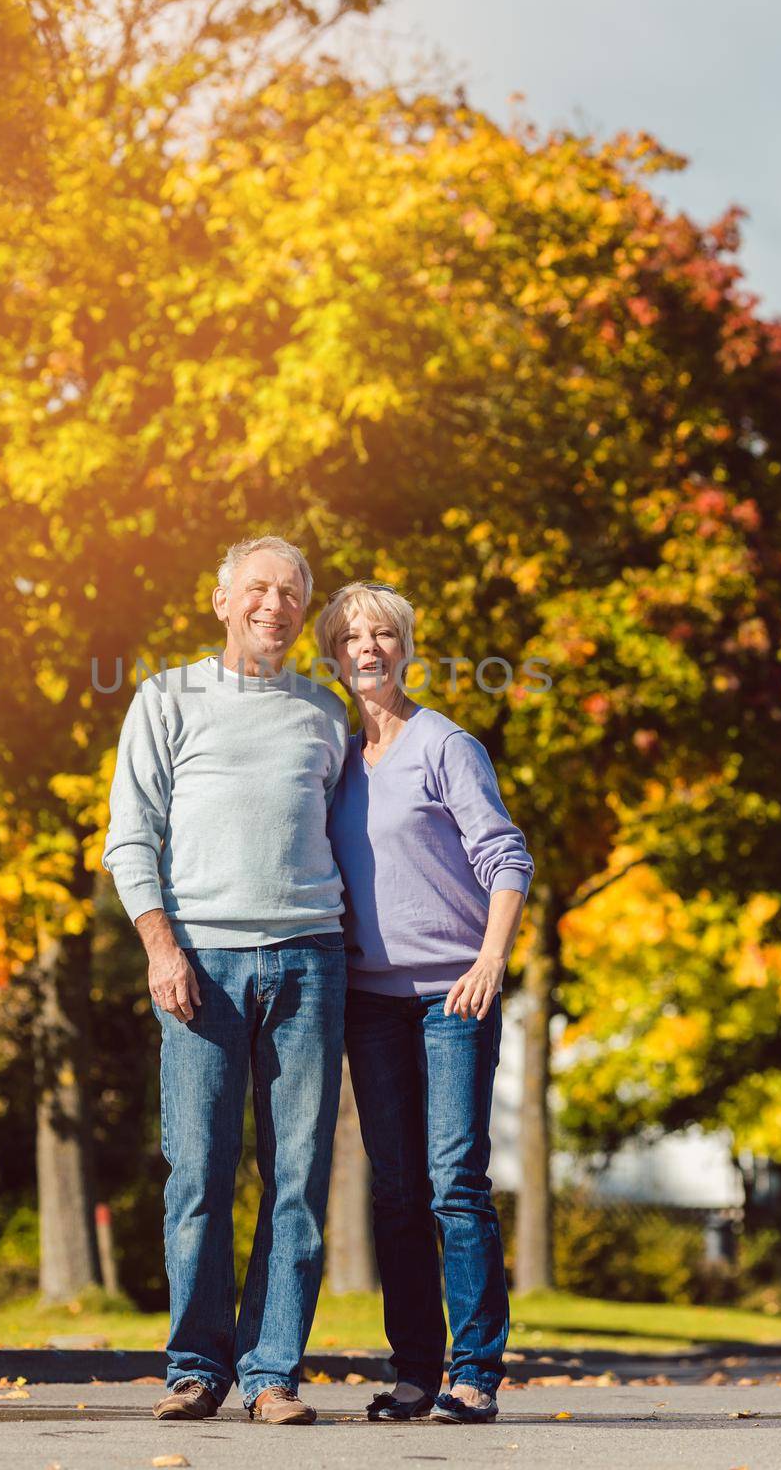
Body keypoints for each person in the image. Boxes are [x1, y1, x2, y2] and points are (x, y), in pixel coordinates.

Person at [102, 535, 350, 1425]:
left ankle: (272, 1370)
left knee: (298, 1172)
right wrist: (162, 948)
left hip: (310, 961)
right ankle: (194, 1367)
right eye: (257, 588)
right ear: (220, 600)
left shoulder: (325, 715)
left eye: (290, 592)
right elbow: (129, 837)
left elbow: (350, 845)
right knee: (200, 1170)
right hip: (200, 964)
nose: (272, 605)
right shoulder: (164, 700)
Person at [316, 580, 534, 1426]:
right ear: (333, 656)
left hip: (453, 994)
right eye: (351, 637)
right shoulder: (337, 757)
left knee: (454, 1184)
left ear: (405, 648)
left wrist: (491, 958)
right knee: (396, 1191)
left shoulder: (447, 745)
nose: (367, 648)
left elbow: (505, 857)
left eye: (382, 634)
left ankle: (474, 1371)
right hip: (369, 1001)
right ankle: (414, 1372)